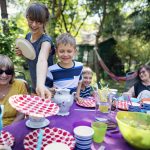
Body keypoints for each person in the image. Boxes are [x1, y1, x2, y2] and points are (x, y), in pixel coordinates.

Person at [15, 2, 55, 99]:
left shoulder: (46, 42)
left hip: (48, 87)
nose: (33, 25)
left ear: (44, 22)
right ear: (27, 17)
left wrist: (41, 85)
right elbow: (33, 56)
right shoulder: (28, 37)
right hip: (35, 84)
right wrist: (23, 53)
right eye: (31, 20)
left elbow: (42, 60)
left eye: (38, 22)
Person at [46, 33, 83, 98]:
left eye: (69, 51)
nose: (65, 54)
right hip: (57, 102)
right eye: (62, 51)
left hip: (73, 102)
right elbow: (46, 88)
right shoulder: (51, 70)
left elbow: (80, 81)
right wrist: (50, 90)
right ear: (56, 52)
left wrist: (77, 94)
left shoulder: (79, 66)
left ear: (75, 51)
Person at [0, 54, 28, 126]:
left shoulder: (19, 85)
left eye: (8, 72)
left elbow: (21, 114)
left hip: (13, 127)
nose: (4, 75)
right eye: (0, 71)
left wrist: (7, 131)